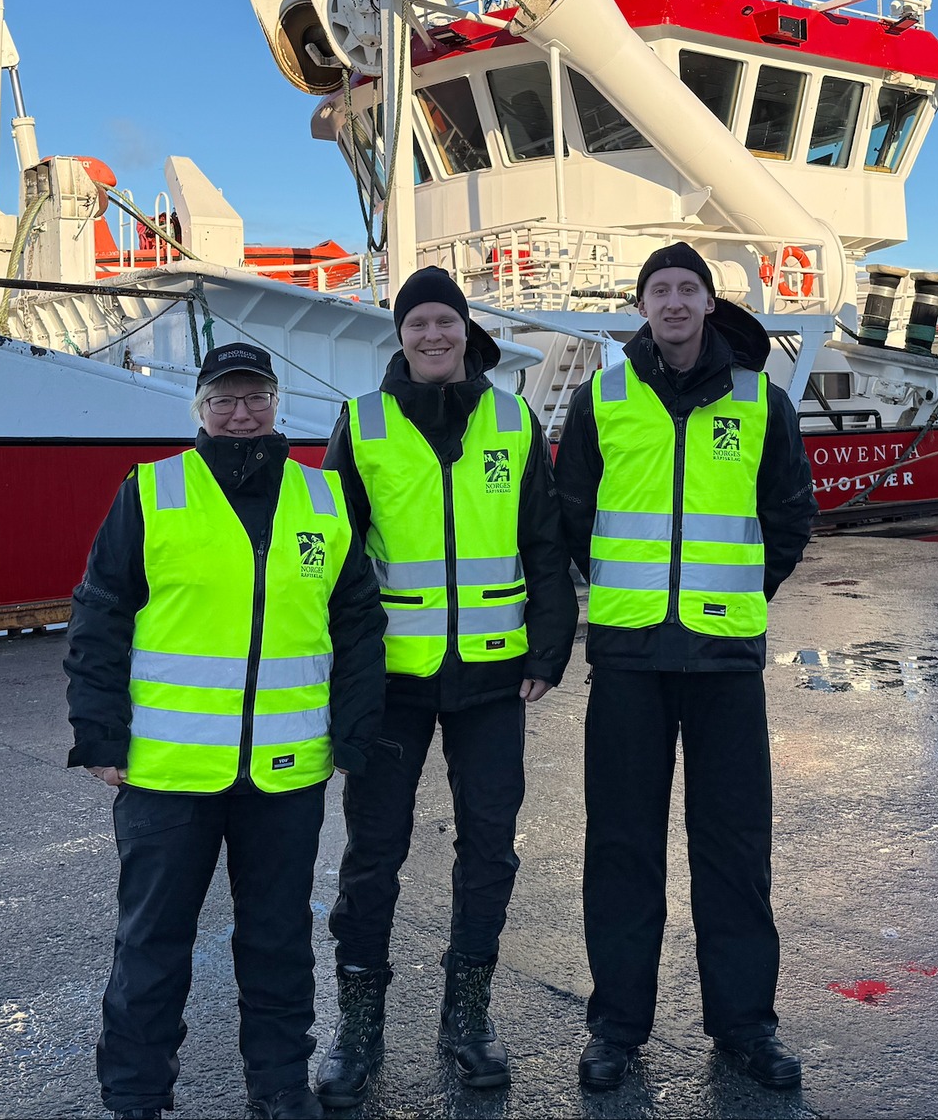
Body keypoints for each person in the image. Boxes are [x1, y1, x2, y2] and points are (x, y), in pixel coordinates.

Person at [64, 342, 387, 1120]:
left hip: (285, 773)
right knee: (151, 945)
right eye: (225, 400)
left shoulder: (324, 499)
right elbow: (99, 614)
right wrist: (99, 734)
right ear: (200, 409)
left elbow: (358, 627)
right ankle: (136, 1096)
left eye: (256, 398)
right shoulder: (151, 492)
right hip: (166, 773)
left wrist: (355, 731)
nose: (242, 414)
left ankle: (278, 1087)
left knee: (278, 944)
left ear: (278, 403)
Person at [553, 242, 817, 1092]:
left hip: (724, 663)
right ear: (642, 306)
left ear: (709, 302)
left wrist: (739, 591)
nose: (672, 302)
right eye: (658, 290)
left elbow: (788, 514)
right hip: (628, 657)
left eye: (686, 289)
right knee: (622, 848)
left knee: (735, 851)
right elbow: (572, 514)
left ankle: (744, 1027)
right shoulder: (603, 398)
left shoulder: (761, 400)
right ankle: (616, 1029)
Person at [315, 267, 578, 1106]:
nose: (433, 335)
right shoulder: (361, 425)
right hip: (393, 681)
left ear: (467, 331)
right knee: (374, 852)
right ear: (400, 334)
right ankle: (359, 1024)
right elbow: (337, 562)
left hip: (495, 678)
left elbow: (545, 543)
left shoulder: (514, 418)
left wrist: (548, 649)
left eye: (446, 321)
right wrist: (343, 675)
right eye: (418, 322)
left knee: (490, 846)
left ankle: (467, 1014)